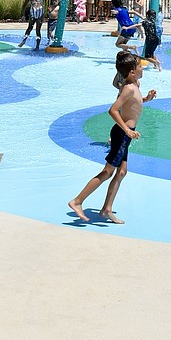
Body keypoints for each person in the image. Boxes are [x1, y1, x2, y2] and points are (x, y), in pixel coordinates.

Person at [68, 51, 156, 224]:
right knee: (108, 171)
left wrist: (147, 98)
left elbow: (134, 104)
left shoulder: (135, 84)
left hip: (126, 134)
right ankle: (77, 201)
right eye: (140, 66)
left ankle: (107, 209)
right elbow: (113, 110)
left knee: (121, 172)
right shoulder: (129, 88)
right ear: (132, 71)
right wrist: (127, 131)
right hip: (122, 133)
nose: (142, 67)